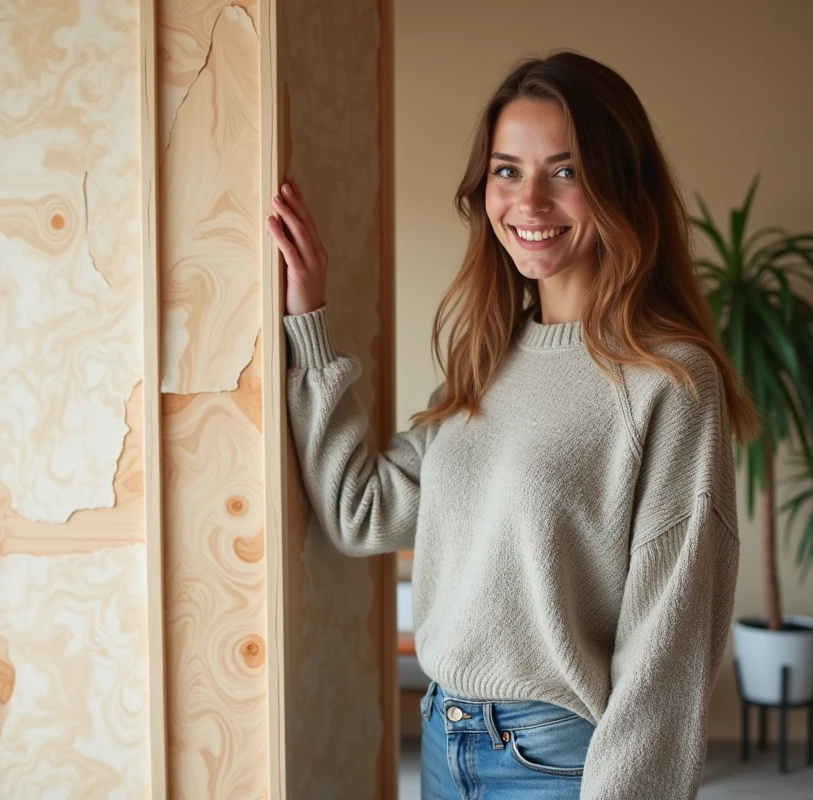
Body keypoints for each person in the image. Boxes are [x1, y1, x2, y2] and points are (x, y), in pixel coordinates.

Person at [266, 50, 758, 800]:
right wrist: (307, 320)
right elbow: (360, 512)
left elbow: (670, 648)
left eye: (565, 171)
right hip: (443, 738)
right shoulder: (491, 358)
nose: (529, 202)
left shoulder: (669, 380)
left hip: (559, 762)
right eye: (507, 170)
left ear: (620, 184)